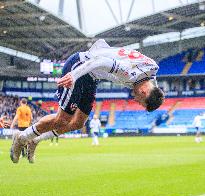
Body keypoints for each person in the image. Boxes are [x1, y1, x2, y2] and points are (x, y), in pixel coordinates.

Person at [10, 39, 164, 164]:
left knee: (78, 123)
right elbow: (100, 61)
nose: (136, 100)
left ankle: (35, 139)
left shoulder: (152, 70)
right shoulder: (129, 71)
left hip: (92, 77)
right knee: (62, 119)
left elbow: (154, 88)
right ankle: (21, 138)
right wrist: (74, 75)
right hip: (80, 66)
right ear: (144, 92)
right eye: (140, 101)